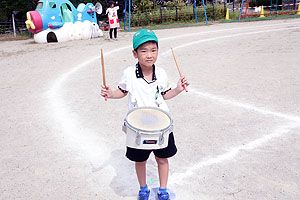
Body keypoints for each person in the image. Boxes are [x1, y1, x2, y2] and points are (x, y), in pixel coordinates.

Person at [101, 29, 189, 200]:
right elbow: (122, 91)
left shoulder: (161, 73)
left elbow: (164, 95)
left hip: (162, 124)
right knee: (139, 160)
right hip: (137, 125)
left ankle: (163, 190)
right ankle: (143, 188)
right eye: (144, 50)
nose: (149, 55)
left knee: (162, 159)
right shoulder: (129, 73)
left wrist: (178, 89)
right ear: (135, 53)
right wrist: (110, 94)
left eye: (153, 50)